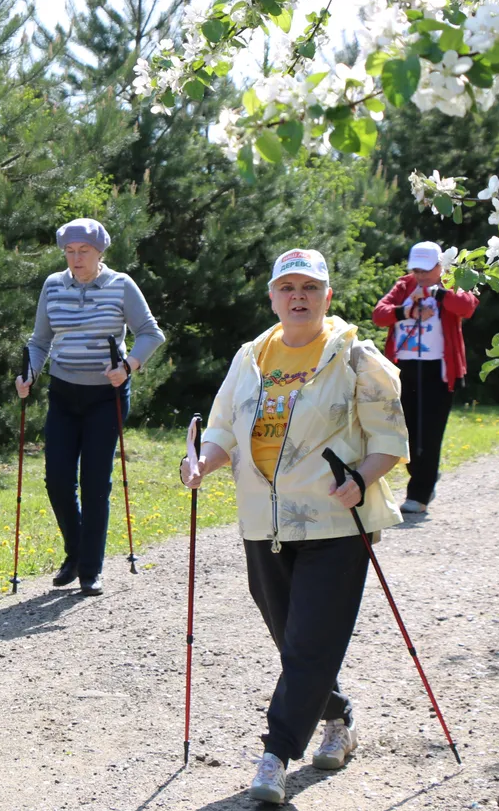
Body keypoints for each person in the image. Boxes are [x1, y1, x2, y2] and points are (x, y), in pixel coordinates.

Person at [180, 248, 408, 804]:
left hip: (334, 521)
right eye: (288, 287)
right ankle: (339, 716)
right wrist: (202, 462)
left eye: (310, 287)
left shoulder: (356, 357)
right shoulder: (251, 356)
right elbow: (221, 429)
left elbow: (391, 443)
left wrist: (360, 477)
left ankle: (274, 754)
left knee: (308, 644)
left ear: (327, 297)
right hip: (264, 522)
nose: (298, 296)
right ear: (273, 297)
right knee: (295, 643)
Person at [15, 218, 165, 596]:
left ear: (100, 253)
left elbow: (150, 333)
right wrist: (29, 373)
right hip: (64, 394)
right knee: (58, 481)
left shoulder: (121, 286)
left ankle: (89, 569)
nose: (75, 259)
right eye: (69, 251)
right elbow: (40, 341)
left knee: (95, 482)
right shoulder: (53, 285)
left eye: (83, 252)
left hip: (106, 397)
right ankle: (76, 550)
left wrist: (128, 366)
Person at [372, 241, 479, 514]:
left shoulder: (452, 282)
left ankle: (418, 495)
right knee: (405, 432)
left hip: (439, 372)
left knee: (429, 435)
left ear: (439, 266)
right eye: (416, 269)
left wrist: (439, 293)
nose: (420, 275)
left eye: (426, 270)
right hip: (404, 369)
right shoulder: (403, 286)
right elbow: (379, 314)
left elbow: (467, 307)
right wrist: (406, 311)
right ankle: (424, 477)